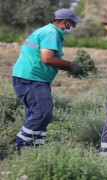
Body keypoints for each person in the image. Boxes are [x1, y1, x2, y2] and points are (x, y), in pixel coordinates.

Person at [11, 9, 83, 151]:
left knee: (35, 115)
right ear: (65, 22)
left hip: (28, 78)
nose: (74, 27)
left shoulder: (45, 31)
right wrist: (72, 66)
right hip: (32, 79)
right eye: (73, 23)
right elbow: (48, 58)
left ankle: (33, 151)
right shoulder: (51, 33)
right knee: (43, 114)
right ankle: (19, 148)